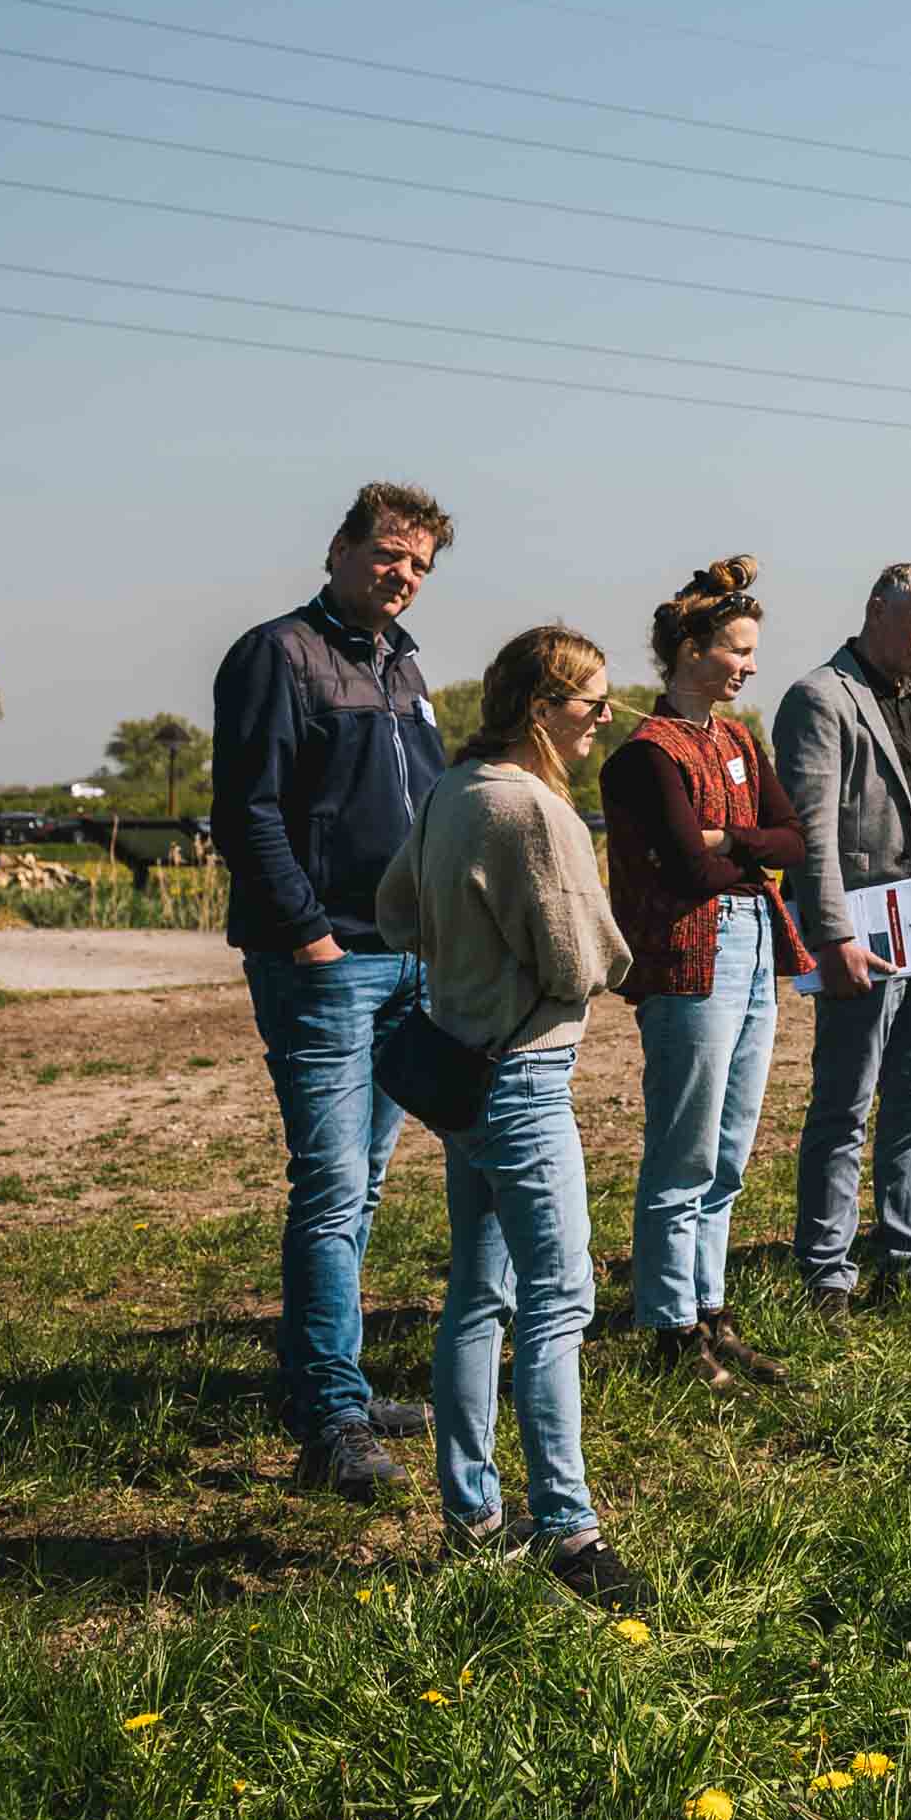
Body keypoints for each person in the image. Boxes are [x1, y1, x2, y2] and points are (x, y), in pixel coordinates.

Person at [374, 623, 648, 1606]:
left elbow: (394, 906)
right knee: (559, 1300)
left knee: (476, 1298)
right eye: (592, 703)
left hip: (464, 1068)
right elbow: (587, 961)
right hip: (524, 1078)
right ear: (543, 708)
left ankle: (471, 1515)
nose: (605, 719)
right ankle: (571, 1532)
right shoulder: (530, 811)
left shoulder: (453, 788)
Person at [213, 478, 453, 1501]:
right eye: (389, 555)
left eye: (420, 567)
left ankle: (324, 1381)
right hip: (326, 963)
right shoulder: (279, 654)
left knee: (363, 1184)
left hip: (407, 956)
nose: (402, 578)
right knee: (329, 1189)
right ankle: (330, 1419)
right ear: (341, 548)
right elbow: (248, 810)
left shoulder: (403, 665)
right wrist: (308, 936)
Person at [600, 556, 811, 1388]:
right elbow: (687, 869)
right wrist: (744, 854)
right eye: (738, 649)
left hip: (753, 941)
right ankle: (667, 1325)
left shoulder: (737, 739)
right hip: (692, 956)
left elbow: (794, 838)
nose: (750, 665)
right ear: (692, 649)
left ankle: (711, 1309)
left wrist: (737, 847)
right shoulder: (646, 755)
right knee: (683, 1151)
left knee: (729, 1150)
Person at [775, 563, 911, 1324]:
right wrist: (827, 933)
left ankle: (910, 1257)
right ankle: (826, 1272)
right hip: (866, 923)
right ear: (876, 609)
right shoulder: (820, 697)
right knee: (845, 1101)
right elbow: (812, 827)